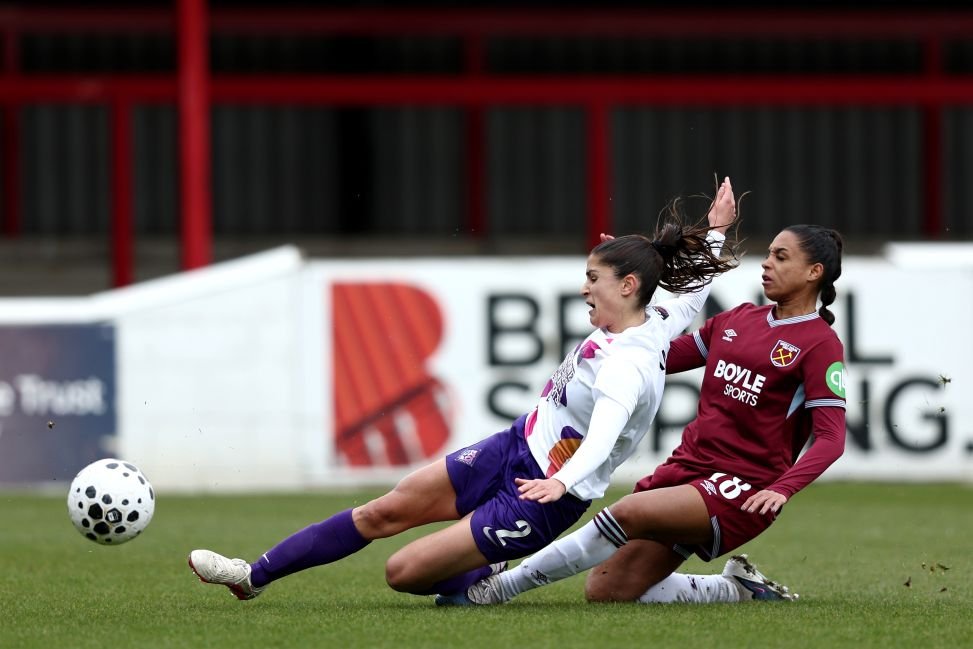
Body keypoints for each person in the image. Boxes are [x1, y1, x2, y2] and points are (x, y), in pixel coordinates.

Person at [187, 178, 740, 602]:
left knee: (401, 573)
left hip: (544, 494)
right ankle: (251, 575)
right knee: (384, 512)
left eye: (593, 279)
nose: (583, 289)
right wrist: (715, 228)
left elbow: (604, 436)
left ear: (627, 286)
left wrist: (563, 482)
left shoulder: (630, 364)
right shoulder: (656, 317)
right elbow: (692, 294)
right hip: (512, 446)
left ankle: (495, 569)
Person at [449, 223, 846, 606]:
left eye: (781, 256)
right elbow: (652, 356)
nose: (766, 263)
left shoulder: (819, 345)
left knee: (629, 512)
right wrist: (628, 293)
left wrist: (782, 489)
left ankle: (498, 588)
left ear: (814, 272)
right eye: (769, 254)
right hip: (688, 468)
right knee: (607, 589)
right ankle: (736, 588)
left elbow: (831, 439)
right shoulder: (738, 320)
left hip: (742, 485)